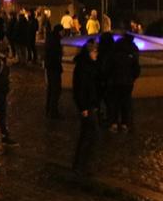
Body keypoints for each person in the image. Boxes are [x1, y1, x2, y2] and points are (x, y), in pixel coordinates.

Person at [71, 42, 101, 175]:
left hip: (90, 104)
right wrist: (83, 107)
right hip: (86, 105)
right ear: (89, 53)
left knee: (88, 134)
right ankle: (81, 164)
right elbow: (81, 88)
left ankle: (82, 163)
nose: (96, 54)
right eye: (94, 52)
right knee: (90, 134)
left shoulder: (88, 65)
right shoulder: (84, 67)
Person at [105, 33, 141, 132]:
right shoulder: (133, 49)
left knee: (114, 102)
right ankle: (125, 123)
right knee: (126, 102)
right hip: (127, 82)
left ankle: (114, 123)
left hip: (115, 81)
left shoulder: (116, 48)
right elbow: (136, 68)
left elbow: (109, 66)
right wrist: (132, 77)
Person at [43, 22, 64, 117]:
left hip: (50, 67)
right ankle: (53, 111)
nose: (63, 33)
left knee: (51, 89)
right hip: (54, 67)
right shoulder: (55, 41)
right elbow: (55, 55)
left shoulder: (51, 38)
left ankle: (48, 109)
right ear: (59, 31)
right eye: (62, 31)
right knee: (55, 89)